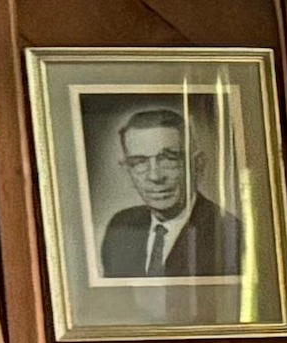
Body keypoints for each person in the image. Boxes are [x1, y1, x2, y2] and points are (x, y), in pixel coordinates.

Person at [94, 99, 243, 284]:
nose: (155, 176)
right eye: (139, 162)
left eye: (169, 159)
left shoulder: (231, 235)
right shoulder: (120, 228)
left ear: (197, 165)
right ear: (127, 171)